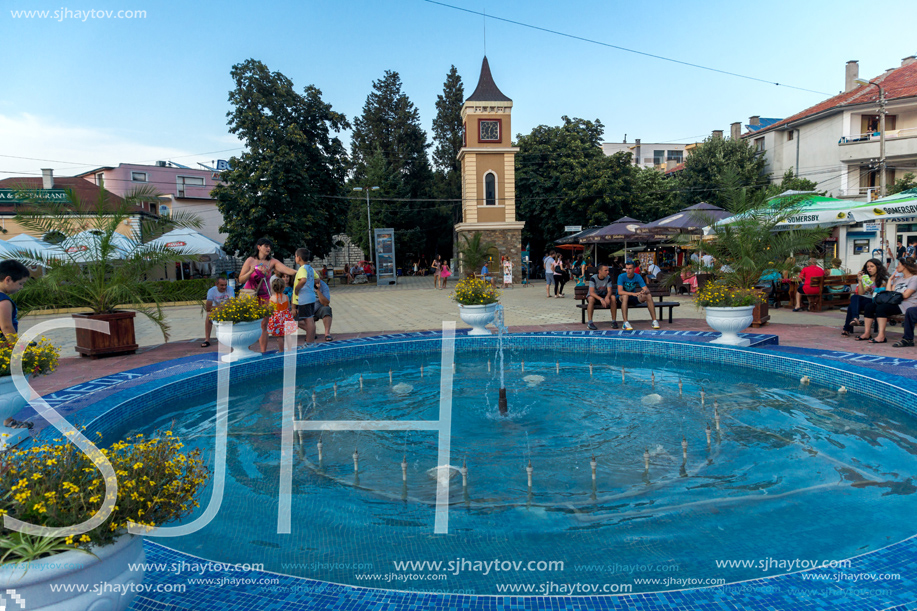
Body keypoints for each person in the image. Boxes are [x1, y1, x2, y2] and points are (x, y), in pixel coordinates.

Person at [238, 238, 297, 352]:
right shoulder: (250, 260)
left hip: (265, 296)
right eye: (266, 246)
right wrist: (251, 271)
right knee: (249, 323)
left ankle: (263, 352)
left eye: (269, 247)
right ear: (259, 247)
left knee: (263, 324)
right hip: (250, 296)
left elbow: (287, 270)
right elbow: (241, 279)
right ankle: (246, 351)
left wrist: (304, 271)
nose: (268, 249)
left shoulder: (272, 262)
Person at [858, 258, 917, 343]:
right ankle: (867, 333)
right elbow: (889, 293)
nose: (897, 267)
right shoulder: (900, 279)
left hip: (905, 305)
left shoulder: (914, 279)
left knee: (882, 308)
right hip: (895, 302)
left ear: (905, 266)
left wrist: (896, 294)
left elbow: (906, 295)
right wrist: (890, 279)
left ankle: (881, 336)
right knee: (869, 306)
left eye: (899, 265)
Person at [842, 258, 887, 336]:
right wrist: (860, 281)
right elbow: (860, 293)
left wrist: (872, 290)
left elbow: (882, 293)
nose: (869, 268)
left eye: (872, 266)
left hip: (874, 301)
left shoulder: (883, 279)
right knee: (854, 297)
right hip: (864, 300)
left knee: (851, 305)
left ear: (878, 267)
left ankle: (847, 327)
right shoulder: (866, 278)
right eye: (868, 267)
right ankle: (855, 318)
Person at [617, 261, 659, 330]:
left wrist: (644, 291)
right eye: (626, 268)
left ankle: (654, 321)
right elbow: (620, 292)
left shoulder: (637, 276)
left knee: (648, 296)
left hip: (633, 297)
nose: (628, 270)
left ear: (634, 269)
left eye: (630, 268)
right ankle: (625, 322)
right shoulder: (621, 276)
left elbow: (646, 289)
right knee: (625, 296)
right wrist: (633, 293)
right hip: (621, 298)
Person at [293, 248, 318, 346]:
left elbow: (303, 280)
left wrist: (297, 289)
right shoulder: (310, 268)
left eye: (295, 256)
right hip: (311, 297)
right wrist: (310, 283)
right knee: (310, 319)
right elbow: (318, 278)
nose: (295, 258)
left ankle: (309, 342)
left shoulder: (302, 269)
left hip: (304, 298)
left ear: (298, 258)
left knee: (308, 320)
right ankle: (311, 341)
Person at [0, 260, 30, 340]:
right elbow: (6, 328)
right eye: (20, 283)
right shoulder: (4, 302)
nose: (21, 287)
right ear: (8, 280)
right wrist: (17, 348)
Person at [202, 277, 232, 347]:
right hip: (216, 310)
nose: (224, 287)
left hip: (227, 310)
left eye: (225, 285)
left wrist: (220, 307)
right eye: (222, 285)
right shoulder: (211, 291)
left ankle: (230, 338)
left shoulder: (230, 289)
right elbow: (208, 308)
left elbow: (231, 304)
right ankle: (207, 339)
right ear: (216, 284)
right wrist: (220, 307)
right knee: (208, 315)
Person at [267, 277, 296, 351]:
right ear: (283, 288)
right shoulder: (286, 297)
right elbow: (288, 306)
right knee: (288, 335)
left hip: (277, 319)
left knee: (280, 337)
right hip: (286, 317)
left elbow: (270, 309)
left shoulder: (272, 298)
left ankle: (281, 350)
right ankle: (289, 349)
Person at [585, 265, 617, 330]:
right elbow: (591, 292)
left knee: (613, 297)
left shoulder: (608, 278)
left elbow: (610, 290)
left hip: (603, 296)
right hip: (594, 297)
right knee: (591, 299)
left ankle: (614, 321)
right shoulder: (593, 278)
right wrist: (601, 299)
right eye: (606, 270)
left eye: (608, 270)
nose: (608, 272)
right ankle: (590, 322)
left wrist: (607, 297)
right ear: (600, 271)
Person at [314, 276, 334, 342]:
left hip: (318, 308)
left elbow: (326, 303)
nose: (315, 279)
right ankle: (311, 332)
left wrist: (318, 291)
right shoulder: (306, 285)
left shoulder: (324, 286)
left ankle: (327, 333)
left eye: (317, 277)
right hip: (308, 308)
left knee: (326, 309)